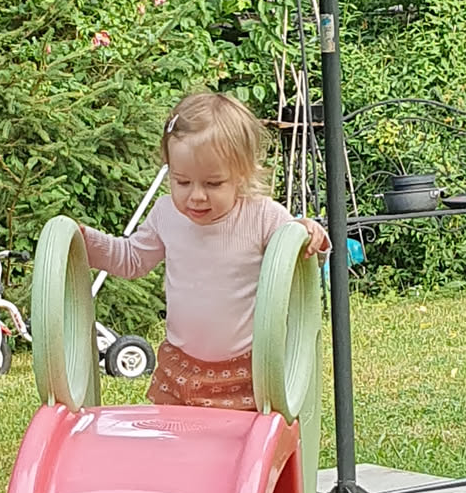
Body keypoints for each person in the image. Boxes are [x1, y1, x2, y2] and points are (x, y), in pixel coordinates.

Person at [80, 91, 330, 410]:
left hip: (246, 373)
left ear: (241, 175)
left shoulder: (262, 216)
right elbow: (131, 260)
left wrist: (309, 234)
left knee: (237, 441)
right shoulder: (166, 214)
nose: (196, 196)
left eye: (213, 184)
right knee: (175, 437)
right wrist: (82, 242)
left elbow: (303, 260)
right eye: (182, 182)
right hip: (180, 368)